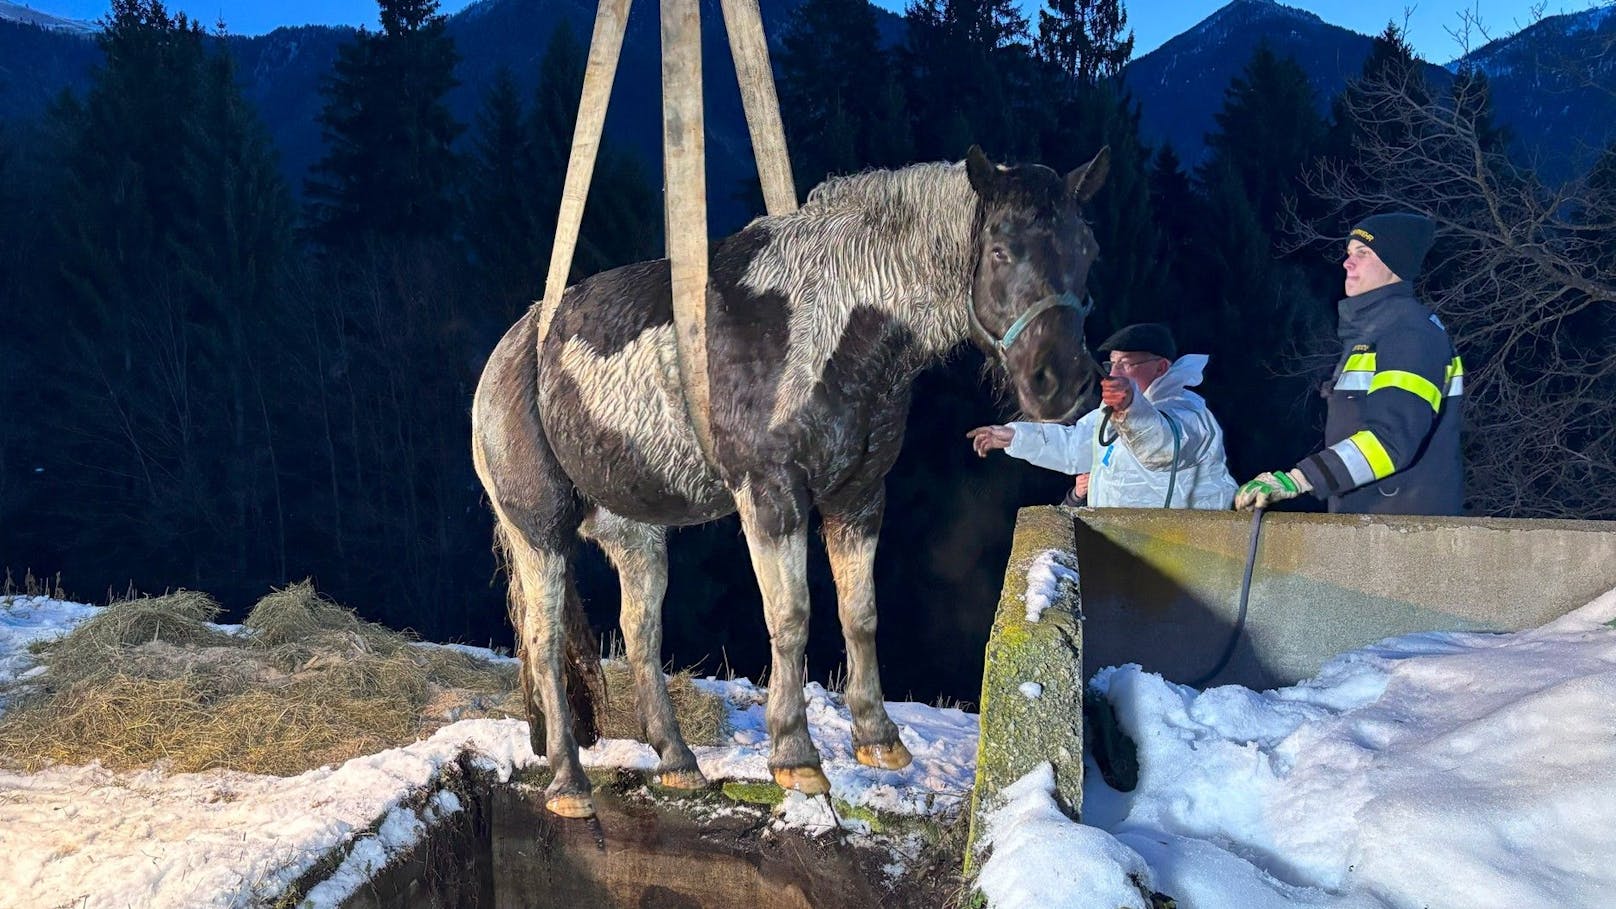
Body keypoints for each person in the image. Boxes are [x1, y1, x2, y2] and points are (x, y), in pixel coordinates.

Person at [1235, 212, 1464, 515]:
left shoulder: (1410, 334)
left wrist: (1297, 480)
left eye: (1363, 253)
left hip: (1402, 531)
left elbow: (1391, 441)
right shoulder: (1377, 333)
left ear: (1394, 263)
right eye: (1348, 253)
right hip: (1371, 526)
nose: (1347, 262)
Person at [967, 323, 1237, 509]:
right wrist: (1014, 436)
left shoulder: (1188, 412)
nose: (1115, 373)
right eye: (1112, 363)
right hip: (1125, 550)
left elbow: (1163, 448)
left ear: (1161, 367)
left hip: (1187, 553)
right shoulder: (1112, 414)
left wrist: (1130, 407)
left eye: (1127, 364)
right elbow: (1074, 446)